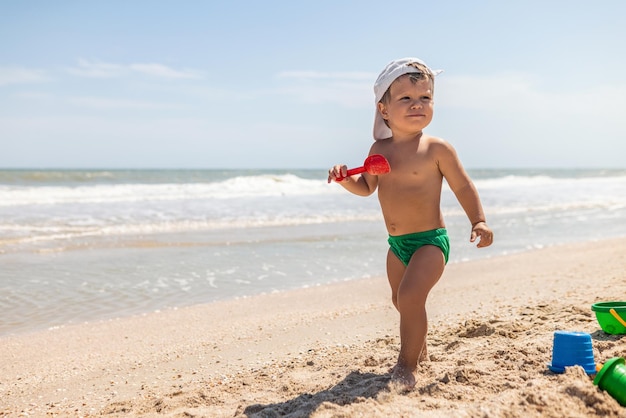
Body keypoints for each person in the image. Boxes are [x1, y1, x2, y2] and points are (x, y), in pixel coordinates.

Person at [328, 57, 493, 389]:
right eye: (406, 98)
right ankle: (420, 347)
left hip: (430, 242)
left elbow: (462, 185)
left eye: (426, 98)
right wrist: (346, 180)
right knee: (399, 301)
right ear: (384, 109)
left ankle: (406, 365)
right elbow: (366, 188)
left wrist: (479, 221)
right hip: (397, 246)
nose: (418, 105)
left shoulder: (436, 148)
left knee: (410, 298)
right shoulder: (379, 149)